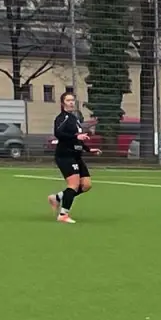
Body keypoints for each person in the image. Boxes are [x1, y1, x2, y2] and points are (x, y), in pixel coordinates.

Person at [48, 92, 97, 224]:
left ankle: (57, 197)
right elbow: (58, 133)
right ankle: (63, 215)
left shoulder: (74, 118)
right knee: (74, 185)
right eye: (68, 100)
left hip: (76, 156)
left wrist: (88, 149)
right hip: (65, 155)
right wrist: (76, 137)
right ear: (62, 103)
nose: (71, 102)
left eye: (72, 100)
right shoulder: (62, 118)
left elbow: (77, 138)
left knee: (86, 185)